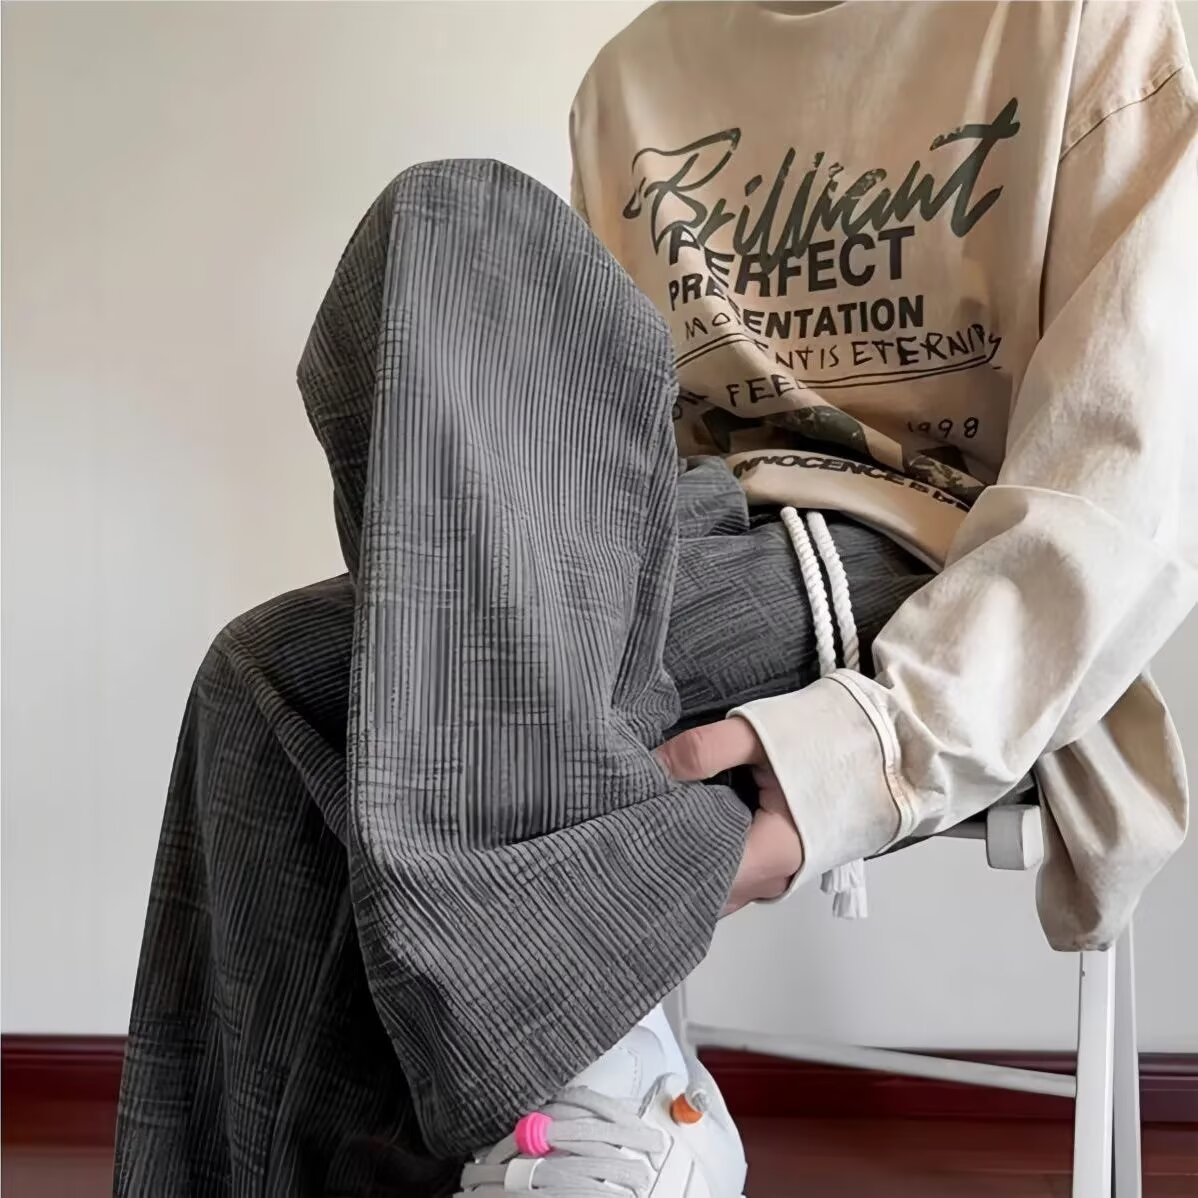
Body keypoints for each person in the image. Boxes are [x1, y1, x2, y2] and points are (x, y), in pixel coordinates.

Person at [115, 3, 1197, 1196]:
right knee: (266, 665)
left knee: (369, 697)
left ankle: (586, 1078)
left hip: (926, 556)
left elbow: (1123, 475)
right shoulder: (630, 80)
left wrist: (866, 750)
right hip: (687, 529)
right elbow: (600, 438)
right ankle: (581, 1061)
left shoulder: (1081, 23)